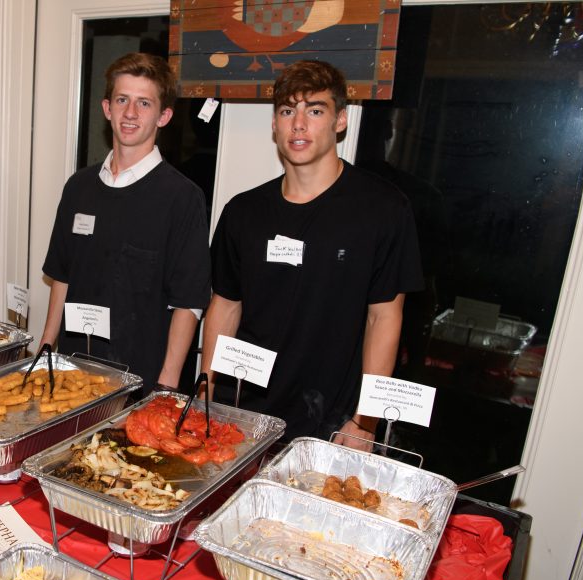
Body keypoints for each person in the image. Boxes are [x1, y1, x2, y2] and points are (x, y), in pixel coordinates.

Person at [202, 60, 423, 446]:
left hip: (331, 421)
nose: (299, 124)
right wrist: (206, 389)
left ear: (340, 121)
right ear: (274, 124)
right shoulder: (243, 211)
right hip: (239, 411)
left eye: (315, 110)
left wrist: (365, 421)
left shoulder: (383, 208)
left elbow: (384, 317)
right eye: (288, 110)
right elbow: (225, 305)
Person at [40, 52, 210, 392]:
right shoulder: (79, 187)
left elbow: (188, 302)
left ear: (163, 116)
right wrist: (45, 351)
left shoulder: (182, 197)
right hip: (71, 379)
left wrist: (167, 384)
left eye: (144, 103)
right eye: (122, 100)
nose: (131, 113)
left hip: (140, 384)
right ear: (107, 109)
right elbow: (61, 275)